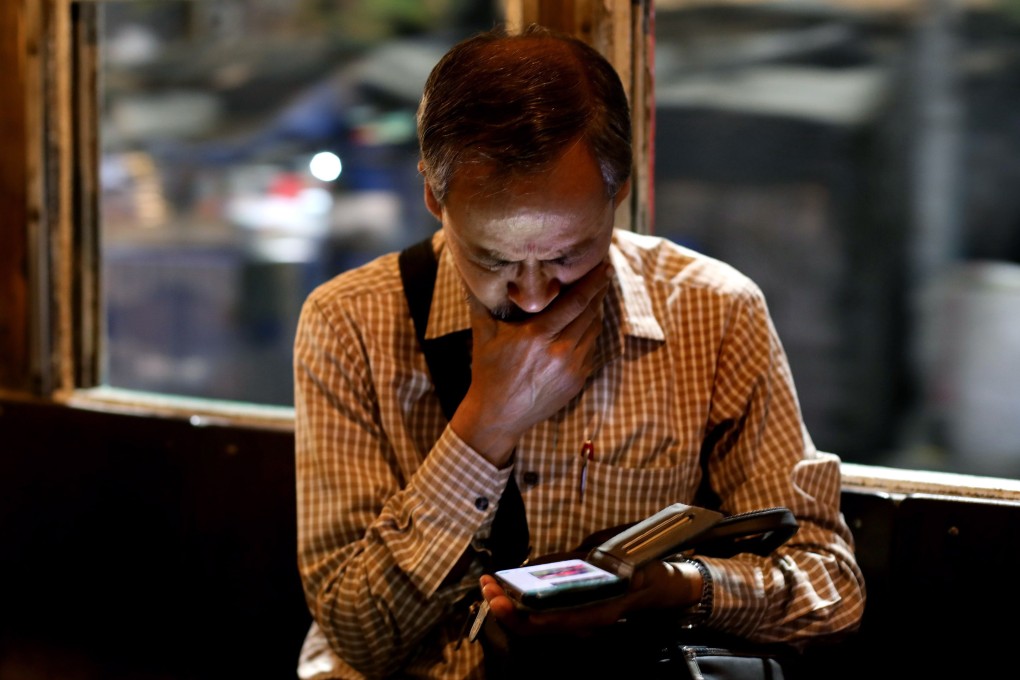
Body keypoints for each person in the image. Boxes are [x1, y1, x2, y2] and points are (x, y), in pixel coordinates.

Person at [293, 23, 866, 680]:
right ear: (433, 196)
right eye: (493, 258)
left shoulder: (713, 310)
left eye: (569, 254)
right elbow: (358, 635)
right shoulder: (351, 322)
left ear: (616, 192)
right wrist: (487, 422)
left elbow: (830, 589)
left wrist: (676, 587)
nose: (535, 296)